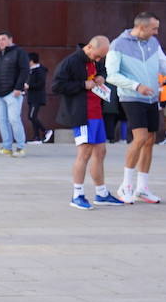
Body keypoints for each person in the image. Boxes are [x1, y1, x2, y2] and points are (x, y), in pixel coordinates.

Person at [107, 12, 166, 204]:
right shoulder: (118, 44)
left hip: (152, 98)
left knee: (150, 139)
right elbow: (111, 75)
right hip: (131, 96)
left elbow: (165, 67)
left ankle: (142, 188)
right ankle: (126, 185)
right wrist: (137, 86)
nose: (157, 32)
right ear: (142, 27)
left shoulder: (153, 43)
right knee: (140, 137)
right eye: (154, 28)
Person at [52, 36, 124, 209]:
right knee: (84, 153)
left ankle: (101, 193)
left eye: (102, 57)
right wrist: (82, 85)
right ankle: (77, 195)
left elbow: (103, 70)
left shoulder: (96, 58)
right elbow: (57, 86)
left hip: (97, 113)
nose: (99, 60)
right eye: (98, 56)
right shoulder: (71, 62)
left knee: (100, 152)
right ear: (90, 47)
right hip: (81, 114)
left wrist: (101, 76)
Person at [0, 32, 29, 156]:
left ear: (10, 39)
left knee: (14, 119)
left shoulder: (19, 52)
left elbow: (24, 70)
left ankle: (20, 147)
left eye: (3, 39)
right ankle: (7, 147)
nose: (0, 42)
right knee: (1, 120)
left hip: (13, 93)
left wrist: (18, 88)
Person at [25, 52, 48, 143]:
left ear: (31, 61)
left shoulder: (40, 70)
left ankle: (45, 131)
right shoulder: (31, 70)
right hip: (31, 97)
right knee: (31, 116)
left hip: (37, 97)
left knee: (32, 116)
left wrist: (29, 86)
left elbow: (41, 84)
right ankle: (37, 138)